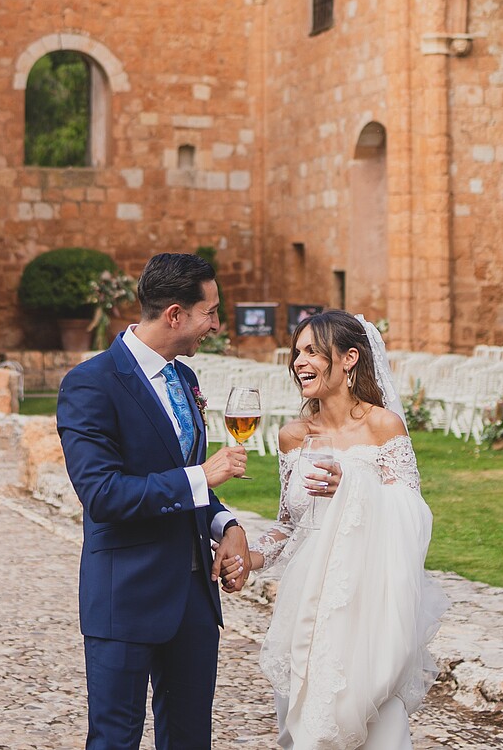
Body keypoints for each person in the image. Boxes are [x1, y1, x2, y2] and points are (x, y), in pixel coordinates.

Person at [57, 251, 254, 750]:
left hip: (193, 599)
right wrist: (201, 475)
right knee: (115, 740)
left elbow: (193, 489)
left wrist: (226, 525)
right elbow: (102, 494)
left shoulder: (184, 378)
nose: (215, 324)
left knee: (191, 740)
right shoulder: (90, 383)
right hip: (126, 595)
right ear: (175, 315)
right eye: (210, 312)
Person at [247, 310, 446, 750]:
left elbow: (413, 516)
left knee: (374, 722)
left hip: (367, 604)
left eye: (313, 351)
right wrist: (252, 556)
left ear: (349, 358)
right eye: (297, 352)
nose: (300, 361)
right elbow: (288, 524)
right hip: (306, 607)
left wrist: (355, 486)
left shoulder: (383, 428)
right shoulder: (293, 436)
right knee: (304, 721)